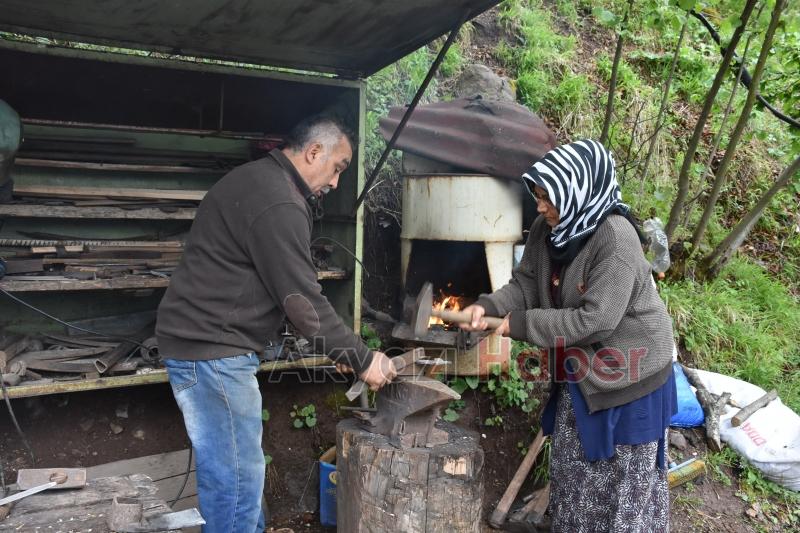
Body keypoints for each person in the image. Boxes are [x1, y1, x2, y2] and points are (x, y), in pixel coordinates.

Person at [156, 114, 397, 532]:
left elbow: (265, 286)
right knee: (235, 482)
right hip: (214, 354)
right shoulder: (281, 201)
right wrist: (362, 358)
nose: (337, 183)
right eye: (338, 167)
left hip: (206, 348)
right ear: (314, 151)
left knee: (236, 476)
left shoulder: (256, 179)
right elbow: (303, 304)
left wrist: (338, 350)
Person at [461, 139, 676, 532]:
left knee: (621, 493)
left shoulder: (616, 241)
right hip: (584, 369)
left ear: (578, 193)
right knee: (573, 477)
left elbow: (595, 321)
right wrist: (489, 307)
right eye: (539, 196)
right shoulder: (549, 228)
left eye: (548, 197)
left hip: (632, 377)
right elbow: (526, 283)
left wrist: (520, 325)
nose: (540, 207)